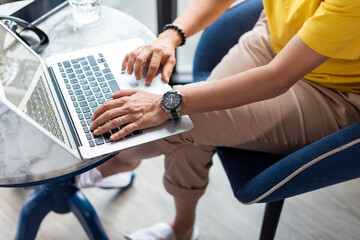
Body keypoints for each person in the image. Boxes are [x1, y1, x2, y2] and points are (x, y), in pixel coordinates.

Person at [77, 0, 360, 239]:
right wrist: (171, 36)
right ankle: (182, 226)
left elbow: (278, 78)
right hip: (274, 37)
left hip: (334, 92)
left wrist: (166, 103)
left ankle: (123, 161)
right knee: (188, 118)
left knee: (181, 117)